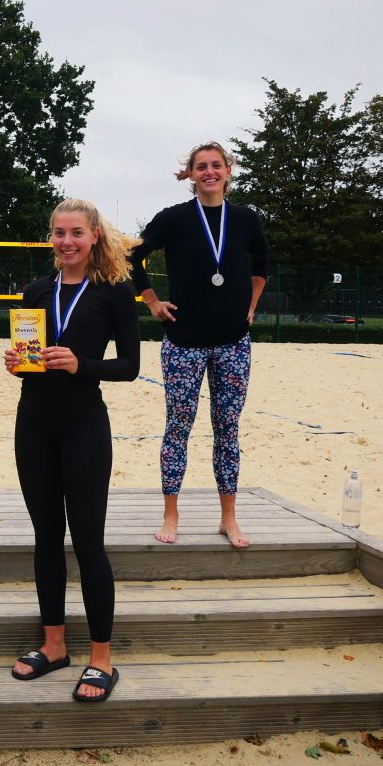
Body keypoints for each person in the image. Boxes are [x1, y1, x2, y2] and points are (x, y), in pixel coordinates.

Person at [4, 198, 140, 703]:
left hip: (84, 423)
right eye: (59, 233)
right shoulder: (36, 291)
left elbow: (128, 365)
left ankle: (101, 657)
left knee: (87, 540)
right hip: (33, 422)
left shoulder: (114, 293)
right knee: (45, 537)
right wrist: (19, 364)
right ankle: (54, 645)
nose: (66, 242)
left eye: (76, 233)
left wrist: (79, 364)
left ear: (95, 237)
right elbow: (29, 357)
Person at [129, 141, 269, 548]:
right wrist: (151, 300)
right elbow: (135, 258)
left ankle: (229, 517)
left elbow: (261, 265)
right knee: (178, 428)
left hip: (233, 343)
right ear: (189, 175)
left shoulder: (245, 218)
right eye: (200, 166)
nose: (209, 171)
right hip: (183, 342)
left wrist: (252, 305)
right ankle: (171, 513)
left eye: (216, 165)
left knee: (228, 429)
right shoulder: (173, 218)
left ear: (228, 170)